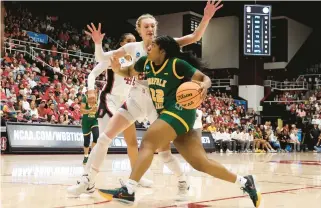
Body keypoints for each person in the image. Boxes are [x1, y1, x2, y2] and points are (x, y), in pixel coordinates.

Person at [68, 0, 224, 195]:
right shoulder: (132, 49)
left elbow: (194, 36)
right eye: (146, 26)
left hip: (156, 104)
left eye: (152, 26)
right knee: (105, 137)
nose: (150, 29)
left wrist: (207, 17)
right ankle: (88, 181)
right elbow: (103, 59)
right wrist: (98, 44)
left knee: (164, 152)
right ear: (139, 29)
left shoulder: (166, 45)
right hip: (134, 100)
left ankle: (182, 179)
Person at [98, 36, 261, 208]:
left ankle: (129, 190)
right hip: (172, 115)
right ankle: (245, 182)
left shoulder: (176, 64)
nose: (148, 47)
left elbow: (205, 78)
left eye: (153, 45)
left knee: (148, 142)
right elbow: (130, 72)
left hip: (179, 111)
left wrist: (204, 86)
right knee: (200, 163)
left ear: (162, 50)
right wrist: (117, 69)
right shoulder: (145, 62)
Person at [80, 87, 99, 165]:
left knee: (96, 135)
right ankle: (86, 156)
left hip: (94, 121)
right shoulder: (85, 98)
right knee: (86, 141)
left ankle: (92, 155)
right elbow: (81, 110)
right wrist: (90, 110)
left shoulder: (98, 98)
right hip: (86, 121)